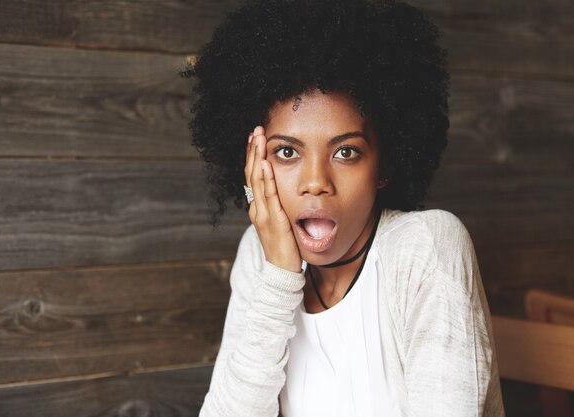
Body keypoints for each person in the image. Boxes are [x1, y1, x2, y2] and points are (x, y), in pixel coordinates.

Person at [182, 0, 505, 416]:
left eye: (346, 152)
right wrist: (280, 276)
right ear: (254, 163)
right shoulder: (259, 255)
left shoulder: (427, 247)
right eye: (286, 152)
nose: (315, 181)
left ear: (384, 166)